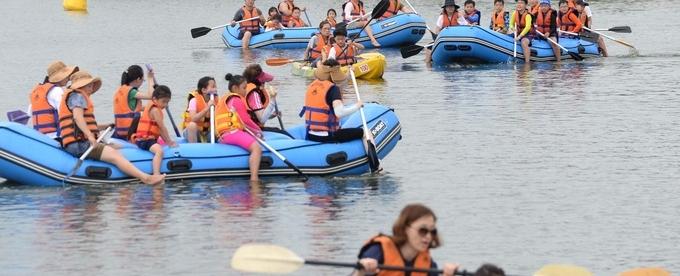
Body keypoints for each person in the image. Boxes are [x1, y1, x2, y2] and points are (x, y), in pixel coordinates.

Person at [59, 71, 165, 185]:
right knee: (115, 155)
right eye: (89, 86)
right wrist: (90, 136)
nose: (91, 89)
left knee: (117, 146)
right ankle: (145, 178)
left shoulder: (75, 97)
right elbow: (77, 118)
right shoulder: (78, 96)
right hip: (79, 144)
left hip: (78, 142)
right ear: (81, 86)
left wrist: (105, 126)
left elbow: (80, 123)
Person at [353, 203, 459, 276]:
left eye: (432, 231)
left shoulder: (428, 264)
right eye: (423, 230)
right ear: (405, 229)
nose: (428, 236)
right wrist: (360, 272)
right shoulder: (377, 251)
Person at [300, 59, 364, 143]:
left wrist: (349, 72)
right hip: (329, 135)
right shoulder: (333, 89)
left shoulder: (312, 86)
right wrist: (357, 106)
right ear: (335, 74)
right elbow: (339, 113)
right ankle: (372, 155)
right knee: (364, 132)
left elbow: (342, 83)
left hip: (310, 135)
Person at [217, 74, 262, 181]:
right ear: (235, 88)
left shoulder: (225, 99)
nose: (246, 91)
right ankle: (254, 178)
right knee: (256, 148)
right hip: (232, 133)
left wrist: (254, 131)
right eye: (244, 88)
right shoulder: (237, 100)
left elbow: (242, 123)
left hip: (223, 135)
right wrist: (258, 130)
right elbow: (246, 120)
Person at [132, 85, 177, 176]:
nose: (165, 105)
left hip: (143, 139)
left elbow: (159, 130)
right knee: (159, 151)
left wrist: (167, 141)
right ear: (155, 99)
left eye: (167, 102)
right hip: (145, 141)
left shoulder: (152, 107)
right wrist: (169, 142)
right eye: (163, 102)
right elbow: (162, 128)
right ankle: (156, 174)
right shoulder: (155, 111)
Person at [28, 61, 79, 140]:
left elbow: (29, 115)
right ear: (59, 77)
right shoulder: (57, 91)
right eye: (66, 76)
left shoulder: (37, 92)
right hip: (57, 137)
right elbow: (65, 114)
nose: (68, 78)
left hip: (40, 138)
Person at [242, 64, 289, 136]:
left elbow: (255, 115)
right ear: (258, 81)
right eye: (263, 82)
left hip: (248, 127)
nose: (264, 84)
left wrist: (271, 115)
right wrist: (273, 99)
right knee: (283, 133)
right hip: (252, 129)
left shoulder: (245, 89)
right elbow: (262, 119)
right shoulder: (254, 94)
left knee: (279, 131)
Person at [113, 65, 155, 140]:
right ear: (138, 79)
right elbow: (151, 95)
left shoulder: (120, 91)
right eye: (143, 80)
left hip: (120, 131)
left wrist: (150, 108)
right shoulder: (132, 92)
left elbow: (132, 108)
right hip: (130, 131)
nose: (142, 82)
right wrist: (150, 78)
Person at [181, 76, 217, 143]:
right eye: (213, 87)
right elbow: (193, 118)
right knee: (192, 125)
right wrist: (207, 108)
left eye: (215, 87)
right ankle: (194, 149)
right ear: (204, 90)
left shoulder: (217, 101)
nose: (215, 89)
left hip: (208, 133)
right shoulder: (194, 101)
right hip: (194, 132)